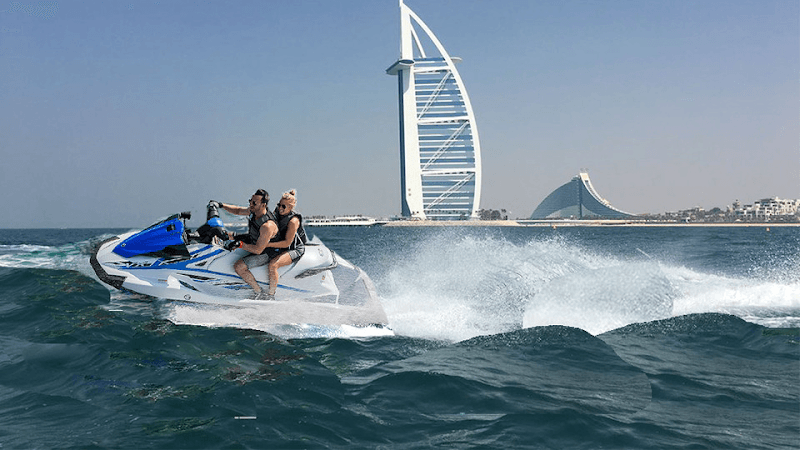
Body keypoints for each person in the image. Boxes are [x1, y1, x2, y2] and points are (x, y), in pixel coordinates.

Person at [215, 189, 278, 300]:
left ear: (263, 205)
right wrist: (220, 205)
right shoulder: (254, 212)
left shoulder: (267, 226)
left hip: (266, 252)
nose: (250, 204)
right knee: (224, 235)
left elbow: (258, 250)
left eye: (254, 203)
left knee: (239, 267)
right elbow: (238, 211)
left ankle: (259, 292)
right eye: (250, 201)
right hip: (253, 239)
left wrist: (240, 244)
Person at [262, 189, 307, 298]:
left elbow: (287, 243)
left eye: (284, 206)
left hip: (294, 248)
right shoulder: (277, 211)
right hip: (280, 244)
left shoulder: (293, 221)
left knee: (273, 265)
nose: (280, 208)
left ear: (291, 207)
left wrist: (267, 245)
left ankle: (271, 295)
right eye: (279, 205)